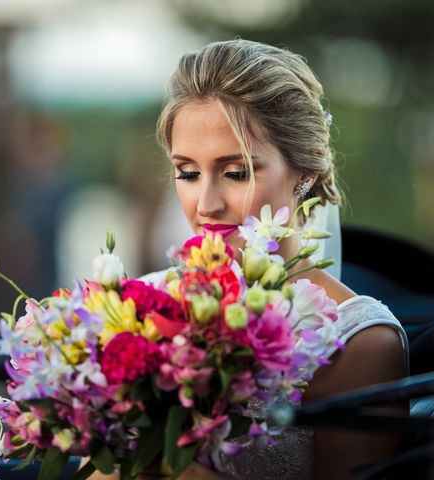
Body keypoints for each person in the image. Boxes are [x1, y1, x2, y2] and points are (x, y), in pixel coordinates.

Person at [92, 39, 408, 480]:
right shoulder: (144, 303)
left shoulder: (356, 341)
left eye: (236, 172)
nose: (206, 204)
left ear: (305, 171)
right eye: (187, 172)